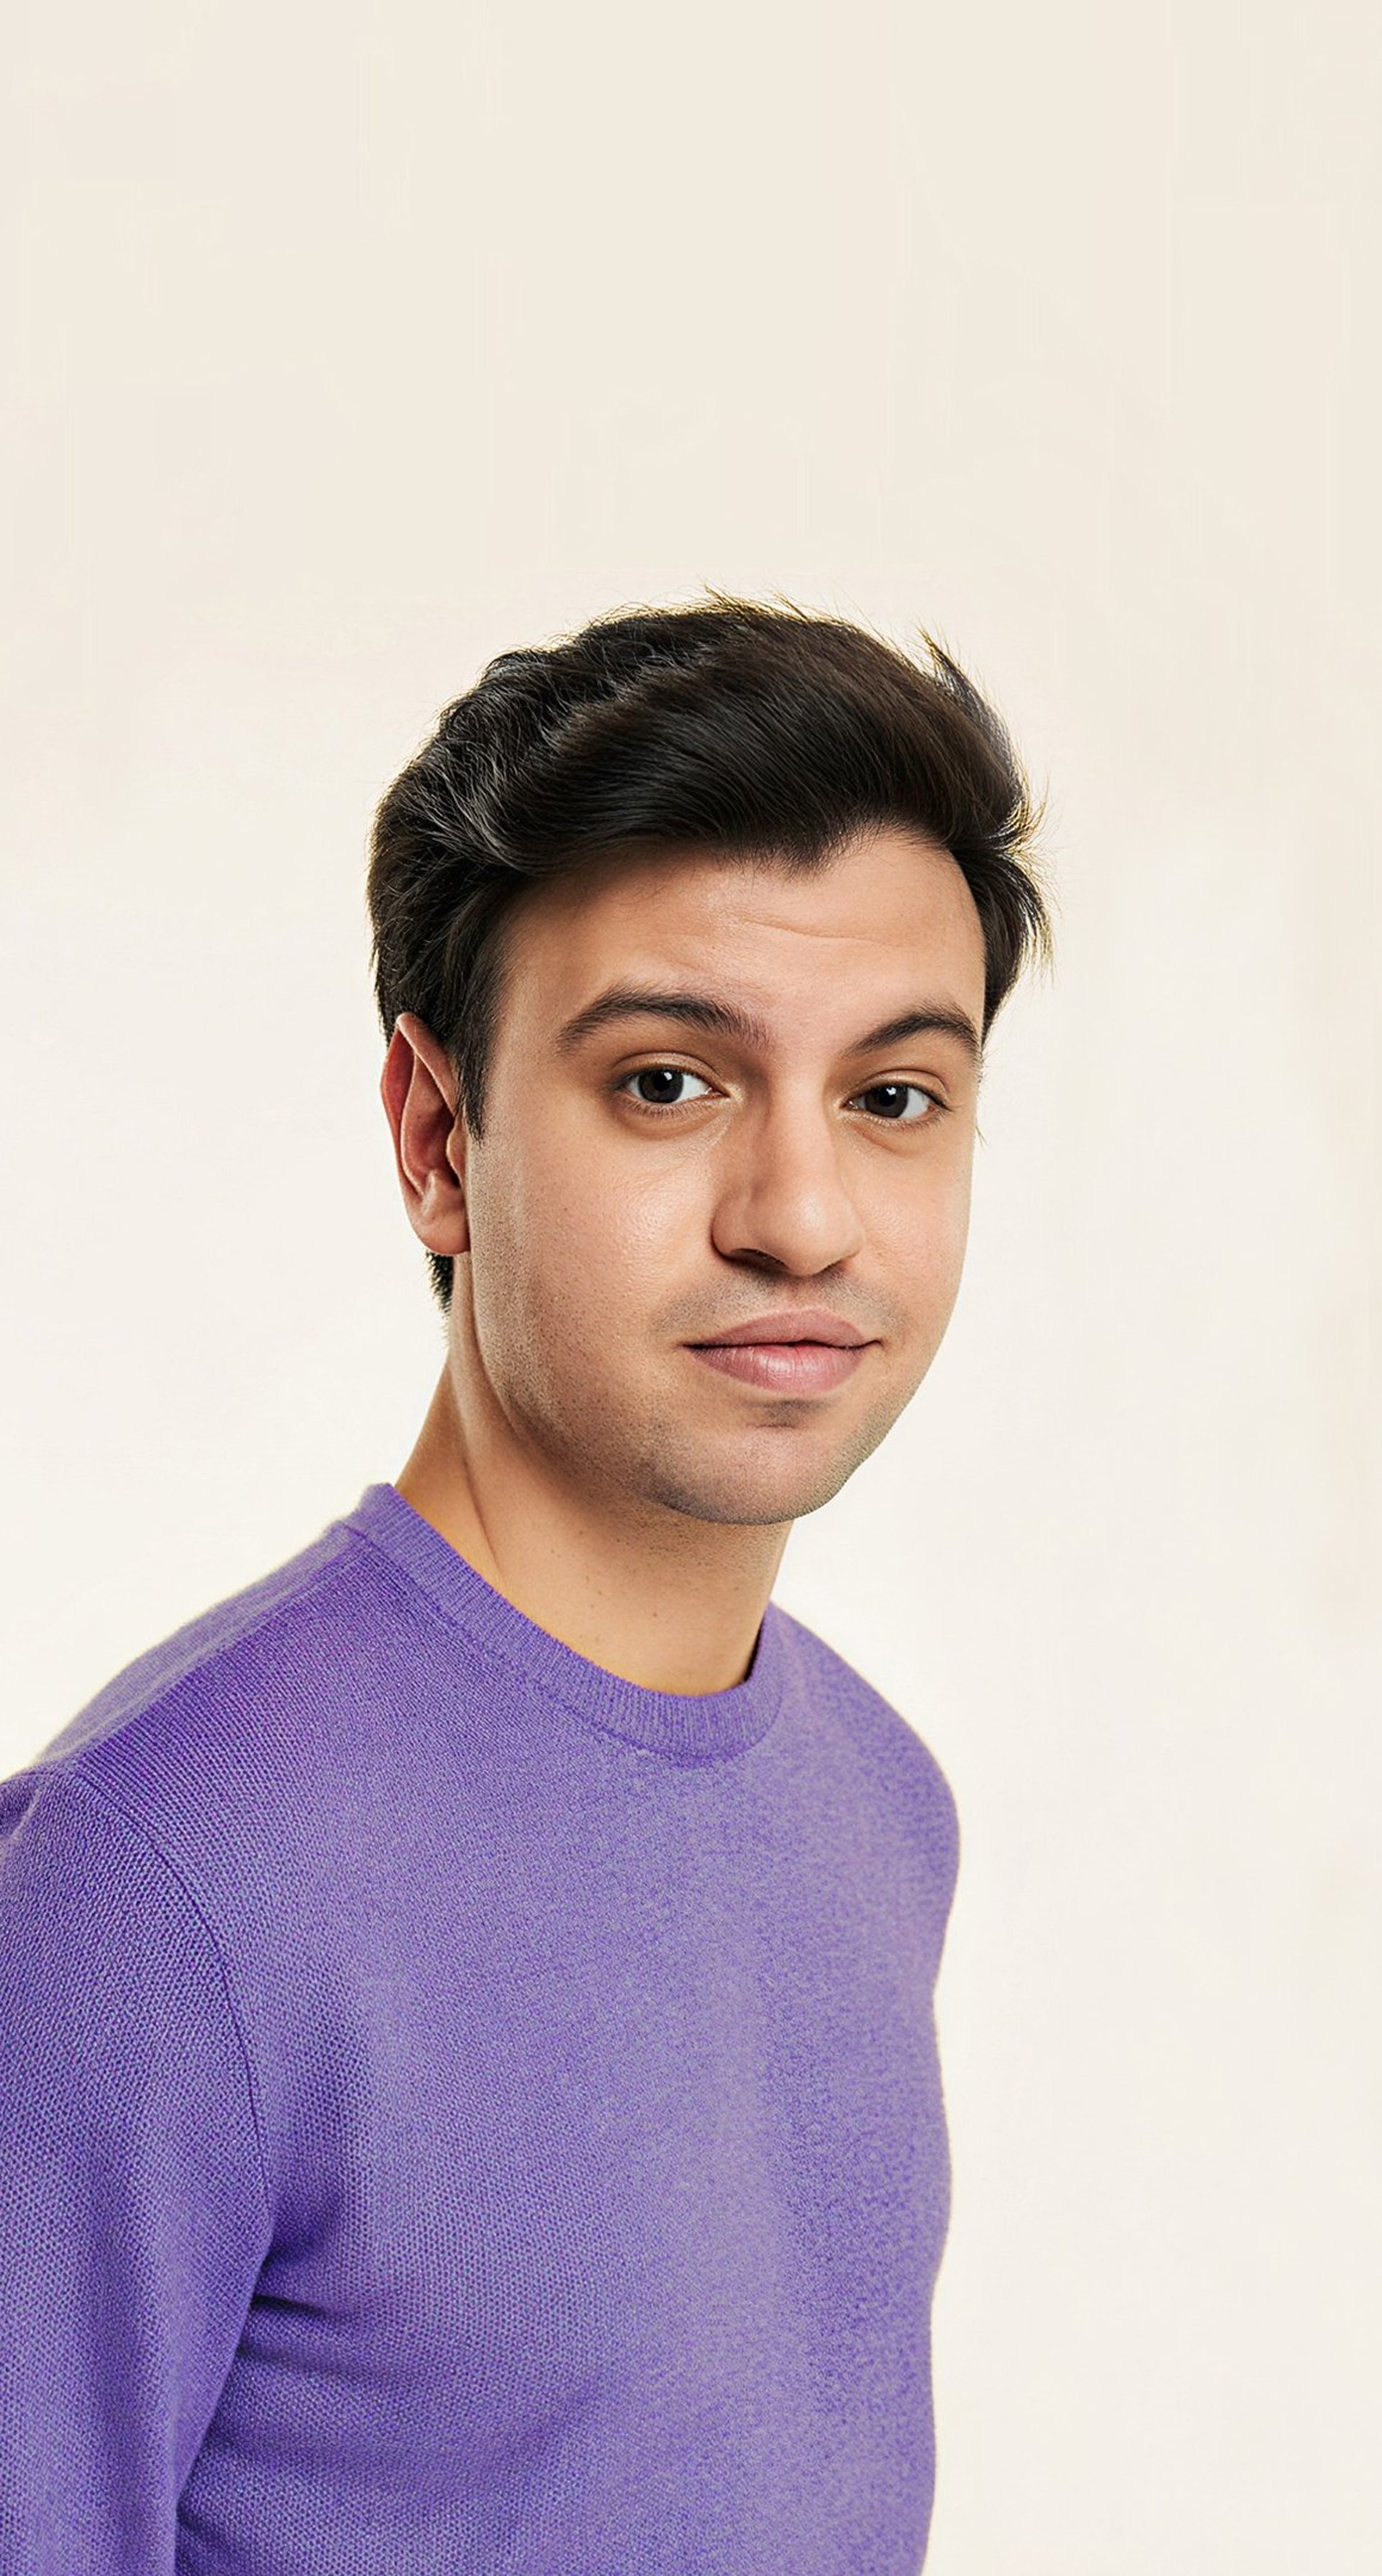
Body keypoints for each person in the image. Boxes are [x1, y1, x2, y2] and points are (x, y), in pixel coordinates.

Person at [0, 598, 1048, 2574]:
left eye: (894, 1096)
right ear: (436, 1136)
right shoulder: (153, 1887)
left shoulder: (880, 1801)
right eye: (668, 1082)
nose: (802, 1216)